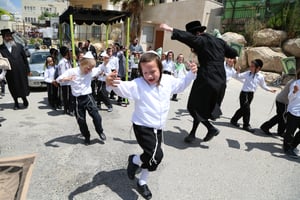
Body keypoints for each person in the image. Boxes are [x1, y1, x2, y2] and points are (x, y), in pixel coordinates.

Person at [106, 51, 197, 200]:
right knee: (156, 155)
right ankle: (135, 160)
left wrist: (190, 75)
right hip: (142, 126)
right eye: (145, 72)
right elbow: (122, 87)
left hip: (158, 127)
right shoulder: (138, 84)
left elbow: (180, 86)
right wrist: (111, 82)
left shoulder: (168, 80)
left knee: (151, 156)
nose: (149, 75)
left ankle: (142, 180)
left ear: (160, 68)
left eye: (152, 71)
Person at [160, 21, 238, 143]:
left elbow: (188, 38)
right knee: (201, 106)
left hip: (207, 77)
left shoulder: (201, 40)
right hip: (220, 80)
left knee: (193, 106)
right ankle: (192, 134)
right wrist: (221, 46)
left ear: (196, 33)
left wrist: (170, 29)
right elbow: (234, 53)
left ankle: (210, 128)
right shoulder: (219, 41)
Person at [56, 51, 106, 145]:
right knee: (81, 120)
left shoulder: (91, 71)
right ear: (82, 64)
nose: (89, 71)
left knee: (96, 116)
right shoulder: (72, 71)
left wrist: (106, 61)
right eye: (88, 68)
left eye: (91, 69)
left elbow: (101, 68)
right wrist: (66, 79)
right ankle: (86, 136)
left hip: (88, 97)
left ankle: (100, 131)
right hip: (77, 100)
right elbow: (58, 79)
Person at [230, 59, 276, 133]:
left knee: (243, 109)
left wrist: (270, 89)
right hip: (244, 94)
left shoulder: (260, 77)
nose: (250, 68)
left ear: (258, 68)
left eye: (252, 66)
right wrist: (238, 71)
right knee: (247, 109)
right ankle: (246, 125)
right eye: (250, 66)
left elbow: (263, 85)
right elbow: (238, 76)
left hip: (251, 95)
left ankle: (234, 120)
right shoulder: (247, 73)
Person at [0, 29, 30, 110]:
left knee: (22, 85)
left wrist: (28, 70)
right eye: (7, 36)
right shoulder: (1, 49)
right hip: (10, 72)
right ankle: (16, 102)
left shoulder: (19, 46)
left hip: (21, 70)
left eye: (10, 35)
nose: (9, 37)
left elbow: (25, 59)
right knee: (13, 87)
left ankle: (24, 98)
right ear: (3, 37)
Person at [283, 68, 300, 158]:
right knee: (290, 131)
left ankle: (293, 146)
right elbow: (289, 97)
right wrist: (294, 91)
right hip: (293, 111)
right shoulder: (295, 83)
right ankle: (287, 148)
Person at [57, 46, 74, 115]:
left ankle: (69, 109)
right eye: (70, 52)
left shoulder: (69, 61)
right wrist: (69, 78)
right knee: (67, 97)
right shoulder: (62, 63)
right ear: (67, 53)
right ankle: (68, 110)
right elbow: (62, 75)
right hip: (66, 83)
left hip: (70, 82)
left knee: (71, 97)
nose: (71, 53)